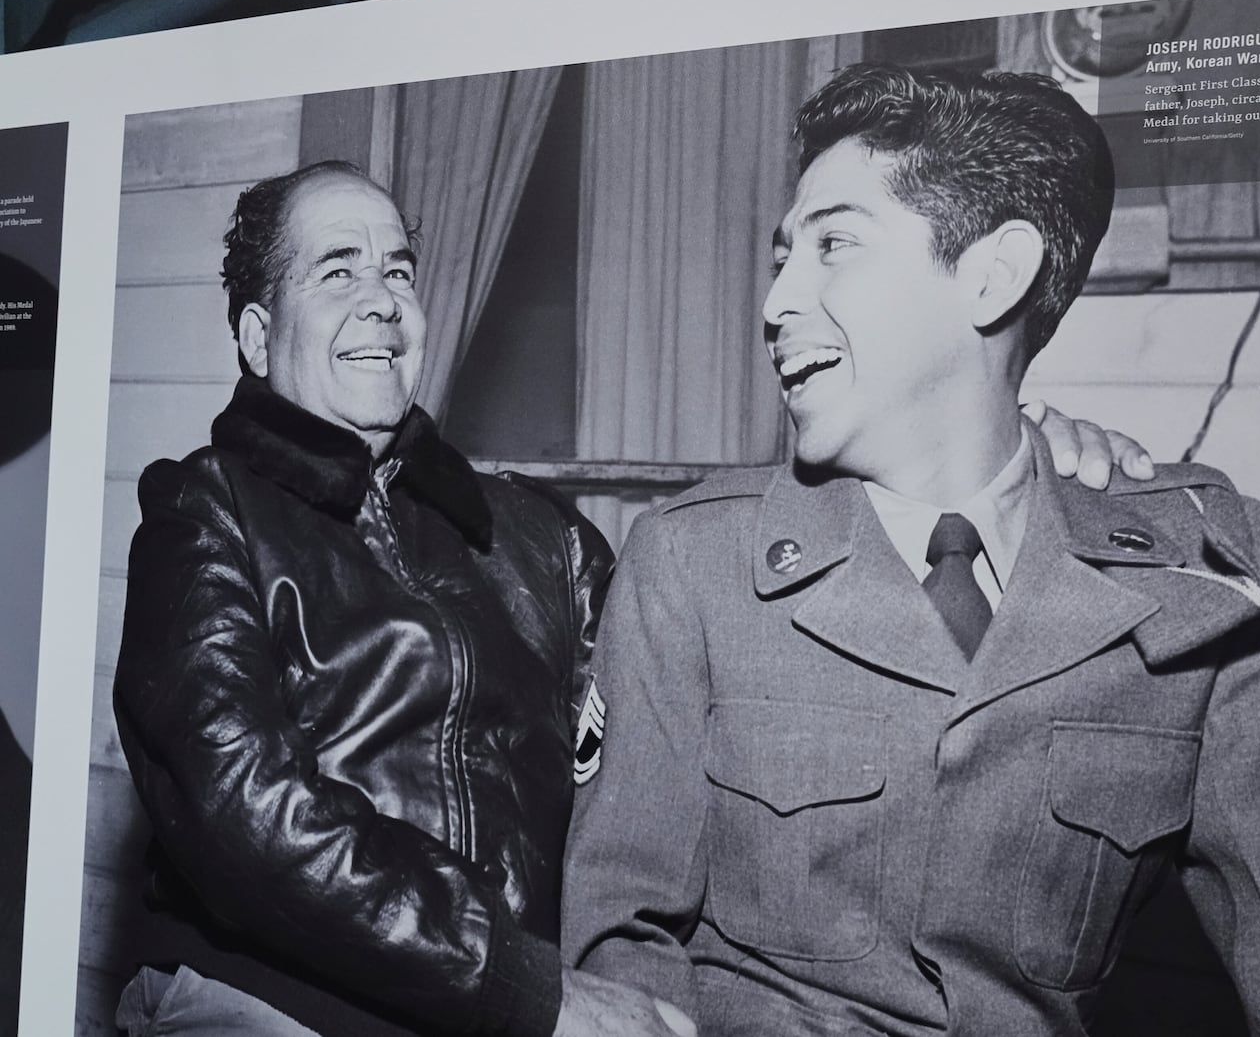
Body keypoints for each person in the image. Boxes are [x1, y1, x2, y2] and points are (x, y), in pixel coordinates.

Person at [110, 158, 1144, 1037]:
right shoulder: (205, 514)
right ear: (255, 335)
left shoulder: (535, 533)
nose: (383, 297)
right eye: (338, 272)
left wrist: (991, 464)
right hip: (275, 997)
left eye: (398, 268)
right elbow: (243, 814)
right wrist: (527, 987)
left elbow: (705, 703)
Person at [560, 63, 1260, 1037]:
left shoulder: (1206, 572)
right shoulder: (693, 562)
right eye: (783, 252)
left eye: (833, 244)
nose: (776, 300)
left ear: (992, 274)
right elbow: (620, 955)